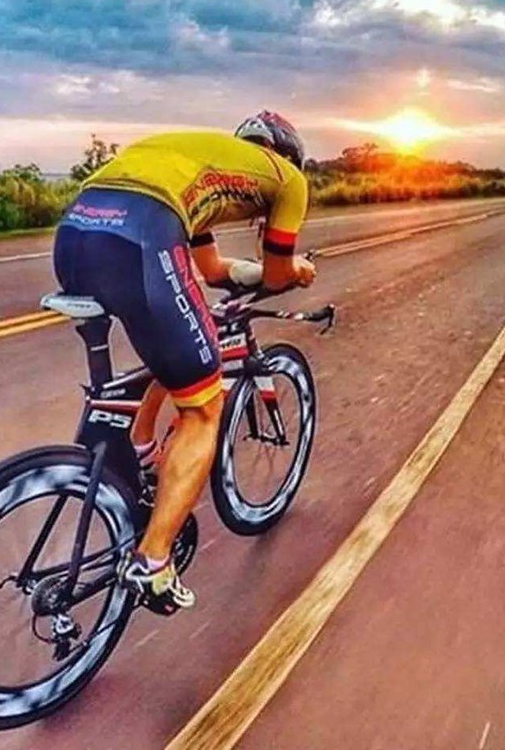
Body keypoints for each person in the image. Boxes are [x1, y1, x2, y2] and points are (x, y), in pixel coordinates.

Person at [52, 112, 315, 613]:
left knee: (174, 354)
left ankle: (142, 446)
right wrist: (297, 270)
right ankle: (153, 562)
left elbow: (212, 270)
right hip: (144, 234)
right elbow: (278, 275)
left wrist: (249, 271)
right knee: (203, 407)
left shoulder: (202, 162)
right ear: (287, 153)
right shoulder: (288, 179)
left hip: (77, 231)